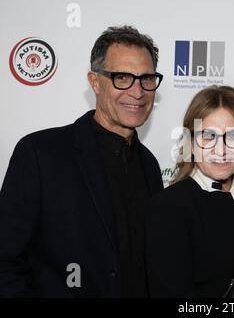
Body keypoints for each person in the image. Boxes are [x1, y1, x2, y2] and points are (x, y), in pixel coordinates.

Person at [0, 25, 164, 297]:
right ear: (95, 81)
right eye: (122, 77)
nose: (137, 91)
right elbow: (5, 262)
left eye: (146, 78)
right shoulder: (40, 153)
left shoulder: (150, 166)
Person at [146, 85, 234, 297]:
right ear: (191, 145)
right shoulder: (169, 207)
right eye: (207, 136)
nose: (221, 150)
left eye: (233, 137)